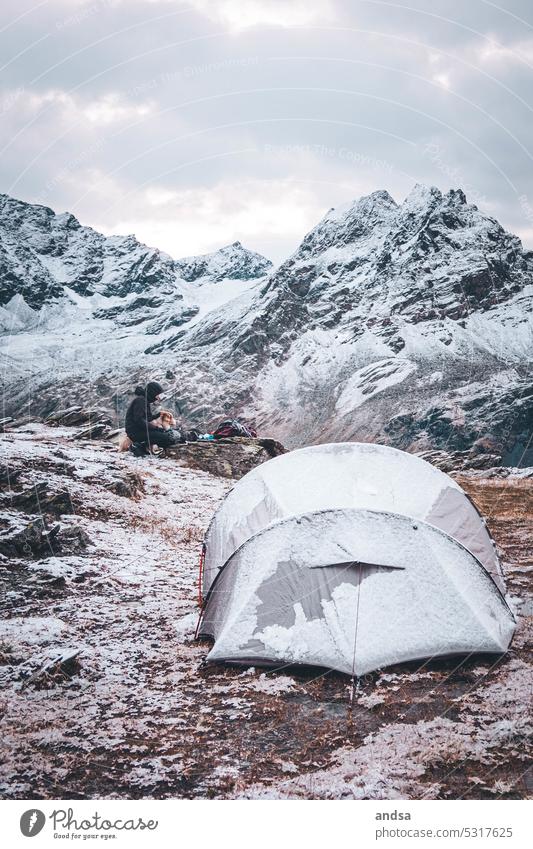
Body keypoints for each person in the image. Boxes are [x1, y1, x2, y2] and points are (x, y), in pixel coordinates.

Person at [124, 382, 179, 454]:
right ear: (153, 392)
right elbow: (139, 420)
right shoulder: (141, 401)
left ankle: (142, 446)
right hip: (135, 432)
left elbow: (147, 418)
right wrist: (156, 428)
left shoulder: (144, 400)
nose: (158, 397)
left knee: (164, 436)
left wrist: (159, 414)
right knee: (166, 438)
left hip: (138, 431)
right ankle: (138, 446)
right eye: (157, 395)